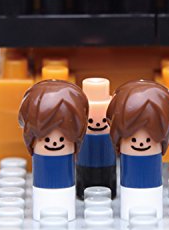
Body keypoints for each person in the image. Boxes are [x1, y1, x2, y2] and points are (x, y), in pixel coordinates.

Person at [18, 80, 88, 221]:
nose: (54, 142)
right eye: (46, 138)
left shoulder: (69, 154)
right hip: (42, 199)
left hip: (66, 202)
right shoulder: (39, 155)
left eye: (62, 138)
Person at [107, 80, 169, 220]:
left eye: (149, 138)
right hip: (129, 200)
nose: (141, 143)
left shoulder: (154, 157)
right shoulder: (127, 156)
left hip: (153, 200)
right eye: (133, 139)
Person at [76, 78, 117, 200]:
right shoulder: (82, 137)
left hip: (108, 167)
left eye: (104, 120)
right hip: (84, 166)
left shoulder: (109, 137)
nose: (98, 124)